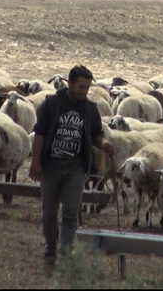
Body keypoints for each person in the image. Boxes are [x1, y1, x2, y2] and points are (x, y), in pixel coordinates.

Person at [29, 65, 113, 267]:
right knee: (49, 212)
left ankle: (65, 252)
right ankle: (51, 246)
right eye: (80, 87)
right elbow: (39, 134)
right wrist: (36, 161)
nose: (84, 91)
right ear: (70, 83)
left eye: (87, 88)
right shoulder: (51, 104)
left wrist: (103, 145)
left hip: (76, 167)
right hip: (51, 165)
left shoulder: (90, 109)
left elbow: (95, 135)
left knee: (70, 213)